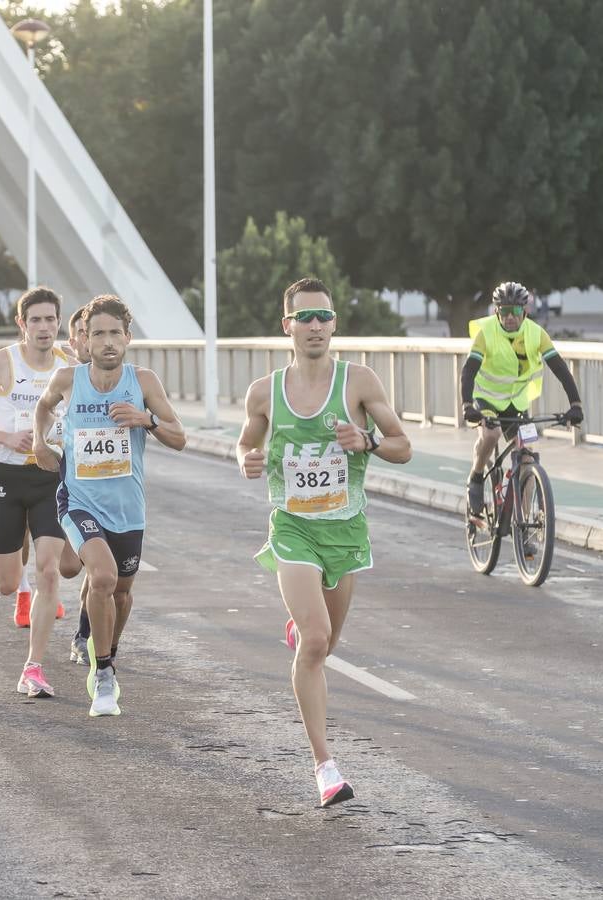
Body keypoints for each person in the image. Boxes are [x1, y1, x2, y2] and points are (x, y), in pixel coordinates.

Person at [236, 277, 412, 809]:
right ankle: (324, 765)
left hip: (345, 531)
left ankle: (303, 626)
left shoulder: (358, 382)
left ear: (334, 324)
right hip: (292, 528)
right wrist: (243, 458)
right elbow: (246, 443)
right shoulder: (265, 391)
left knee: (327, 641)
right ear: (286, 325)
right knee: (315, 643)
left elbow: (404, 447)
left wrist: (370, 442)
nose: (315, 326)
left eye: (323, 317)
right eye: (304, 317)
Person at [33, 294, 186, 717]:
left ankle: (108, 651)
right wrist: (38, 444)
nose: (106, 341)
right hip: (78, 499)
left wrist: (145, 420)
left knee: (120, 594)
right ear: (84, 338)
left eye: (114, 333)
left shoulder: (144, 382)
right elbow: (43, 409)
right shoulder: (67, 379)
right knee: (101, 577)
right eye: (97, 333)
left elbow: (179, 437)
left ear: (128, 338)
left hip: (128, 507)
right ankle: (102, 674)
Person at [0, 287, 73, 696]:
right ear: (22, 324)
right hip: (6, 476)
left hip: (50, 477)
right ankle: (20, 591)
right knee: (6, 581)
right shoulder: (0, 362)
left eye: (50, 319)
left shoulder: (69, 365)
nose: (44, 327)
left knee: (49, 568)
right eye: (35, 320)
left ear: (59, 323)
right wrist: (6, 436)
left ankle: (33, 667)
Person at [460, 281, 583, 519]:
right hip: (487, 399)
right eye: (504, 311)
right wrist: (467, 405)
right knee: (491, 435)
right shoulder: (486, 333)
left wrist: (575, 405)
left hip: (517, 403)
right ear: (496, 312)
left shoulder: (537, 334)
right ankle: (476, 477)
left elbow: (560, 368)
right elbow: (469, 371)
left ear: (525, 311)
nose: (509, 317)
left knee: (528, 456)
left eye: (515, 311)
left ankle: (524, 523)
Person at [58, 303, 95, 665]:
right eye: (85, 333)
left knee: (102, 571)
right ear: (73, 341)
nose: (91, 340)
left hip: (110, 491)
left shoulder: (121, 379)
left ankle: (84, 634)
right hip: (69, 486)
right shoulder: (64, 381)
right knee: (69, 567)